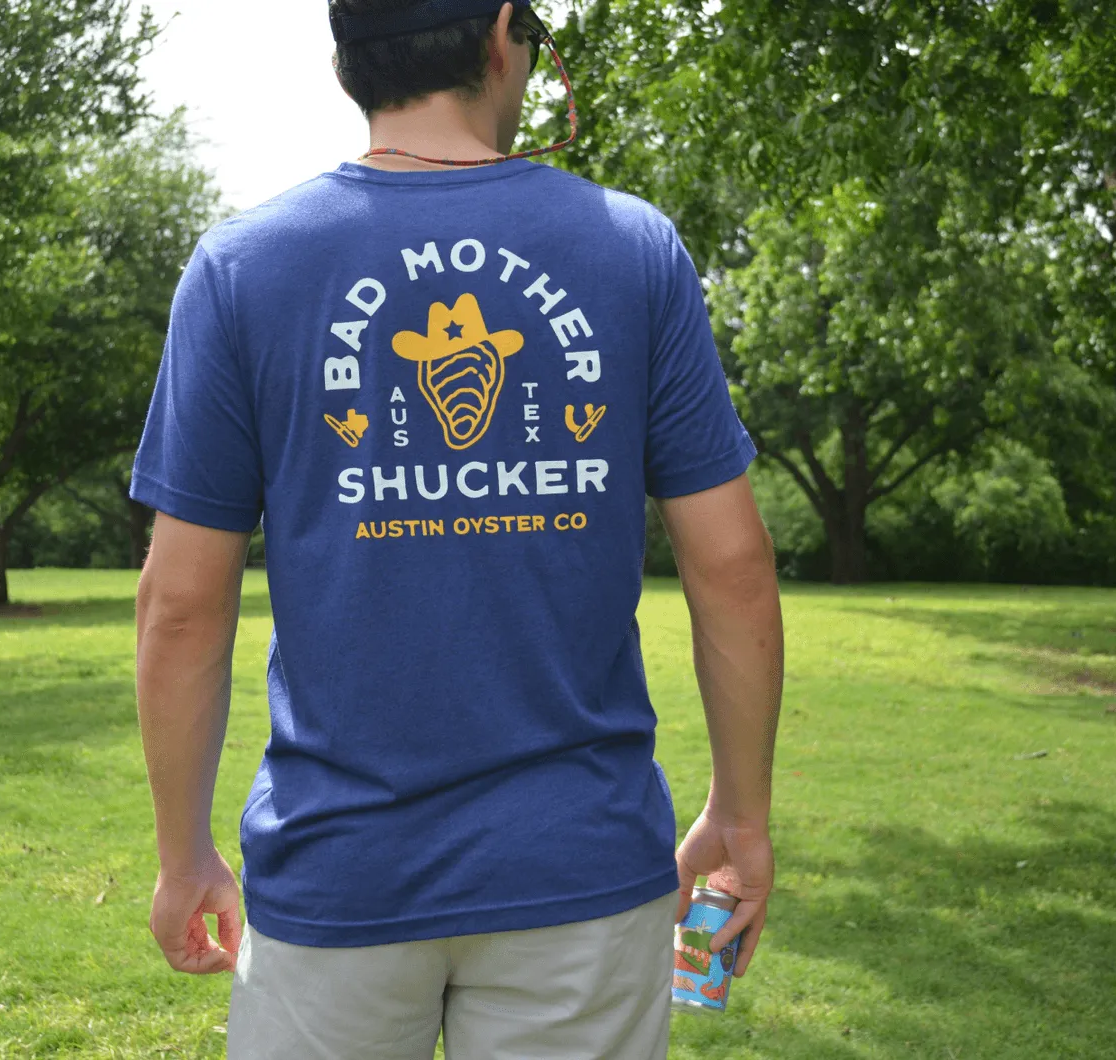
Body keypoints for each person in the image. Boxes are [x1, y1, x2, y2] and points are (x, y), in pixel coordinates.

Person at [130, 2, 783, 1056]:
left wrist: (181, 853)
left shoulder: (243, 268)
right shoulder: (632, 250)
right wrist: (741, 818)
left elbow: (180, 605)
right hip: (578, 871)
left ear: (350, 58)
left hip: (334, 874)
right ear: (495, 38)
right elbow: (735, 566)